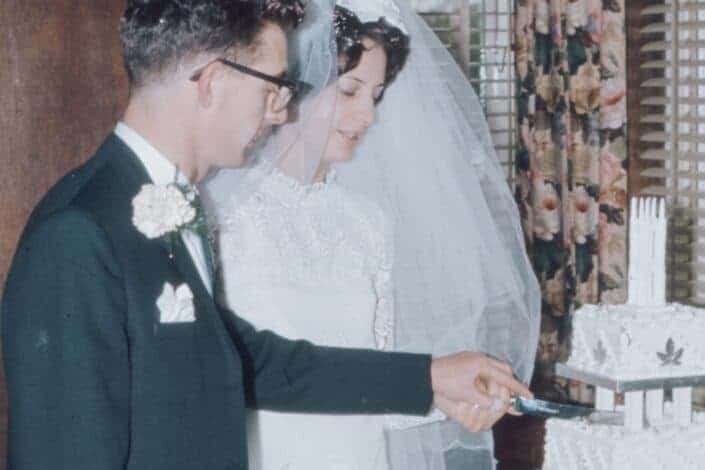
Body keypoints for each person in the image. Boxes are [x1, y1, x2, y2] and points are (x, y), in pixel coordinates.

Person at [1, 1, 532, 469]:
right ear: (212, 81)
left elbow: (249, 361)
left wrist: (431, 377)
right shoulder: (79, 233)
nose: (280, 110)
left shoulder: (165, 201)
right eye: (274, 86)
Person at [205, 0, 541, 469]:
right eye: (349, 91)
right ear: (292, 86)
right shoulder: (221, 214)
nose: (367, 115)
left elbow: (373, 380)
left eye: (376, 95)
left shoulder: (366, 223)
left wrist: (441, 397)